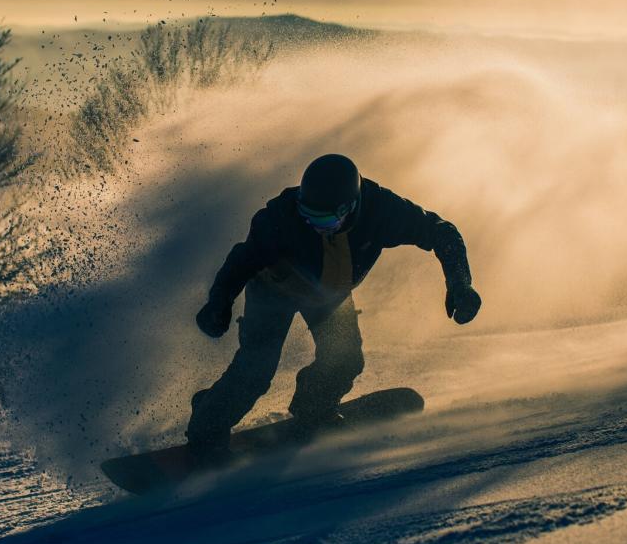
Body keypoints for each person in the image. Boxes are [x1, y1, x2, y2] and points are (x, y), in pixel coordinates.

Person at [187, 153, 480, 462]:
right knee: (256, 369)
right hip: (274, 291)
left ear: (350, 208)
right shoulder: (279, 218)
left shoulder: (381, 210)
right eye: (307, 215)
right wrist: (219, 303)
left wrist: (460, 283)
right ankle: (206, 431)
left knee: (345, 361)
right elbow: (241, 260)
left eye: (324, 220)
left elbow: (441, 231)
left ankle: (312, 412)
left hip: (329, 296)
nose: (314, 226)